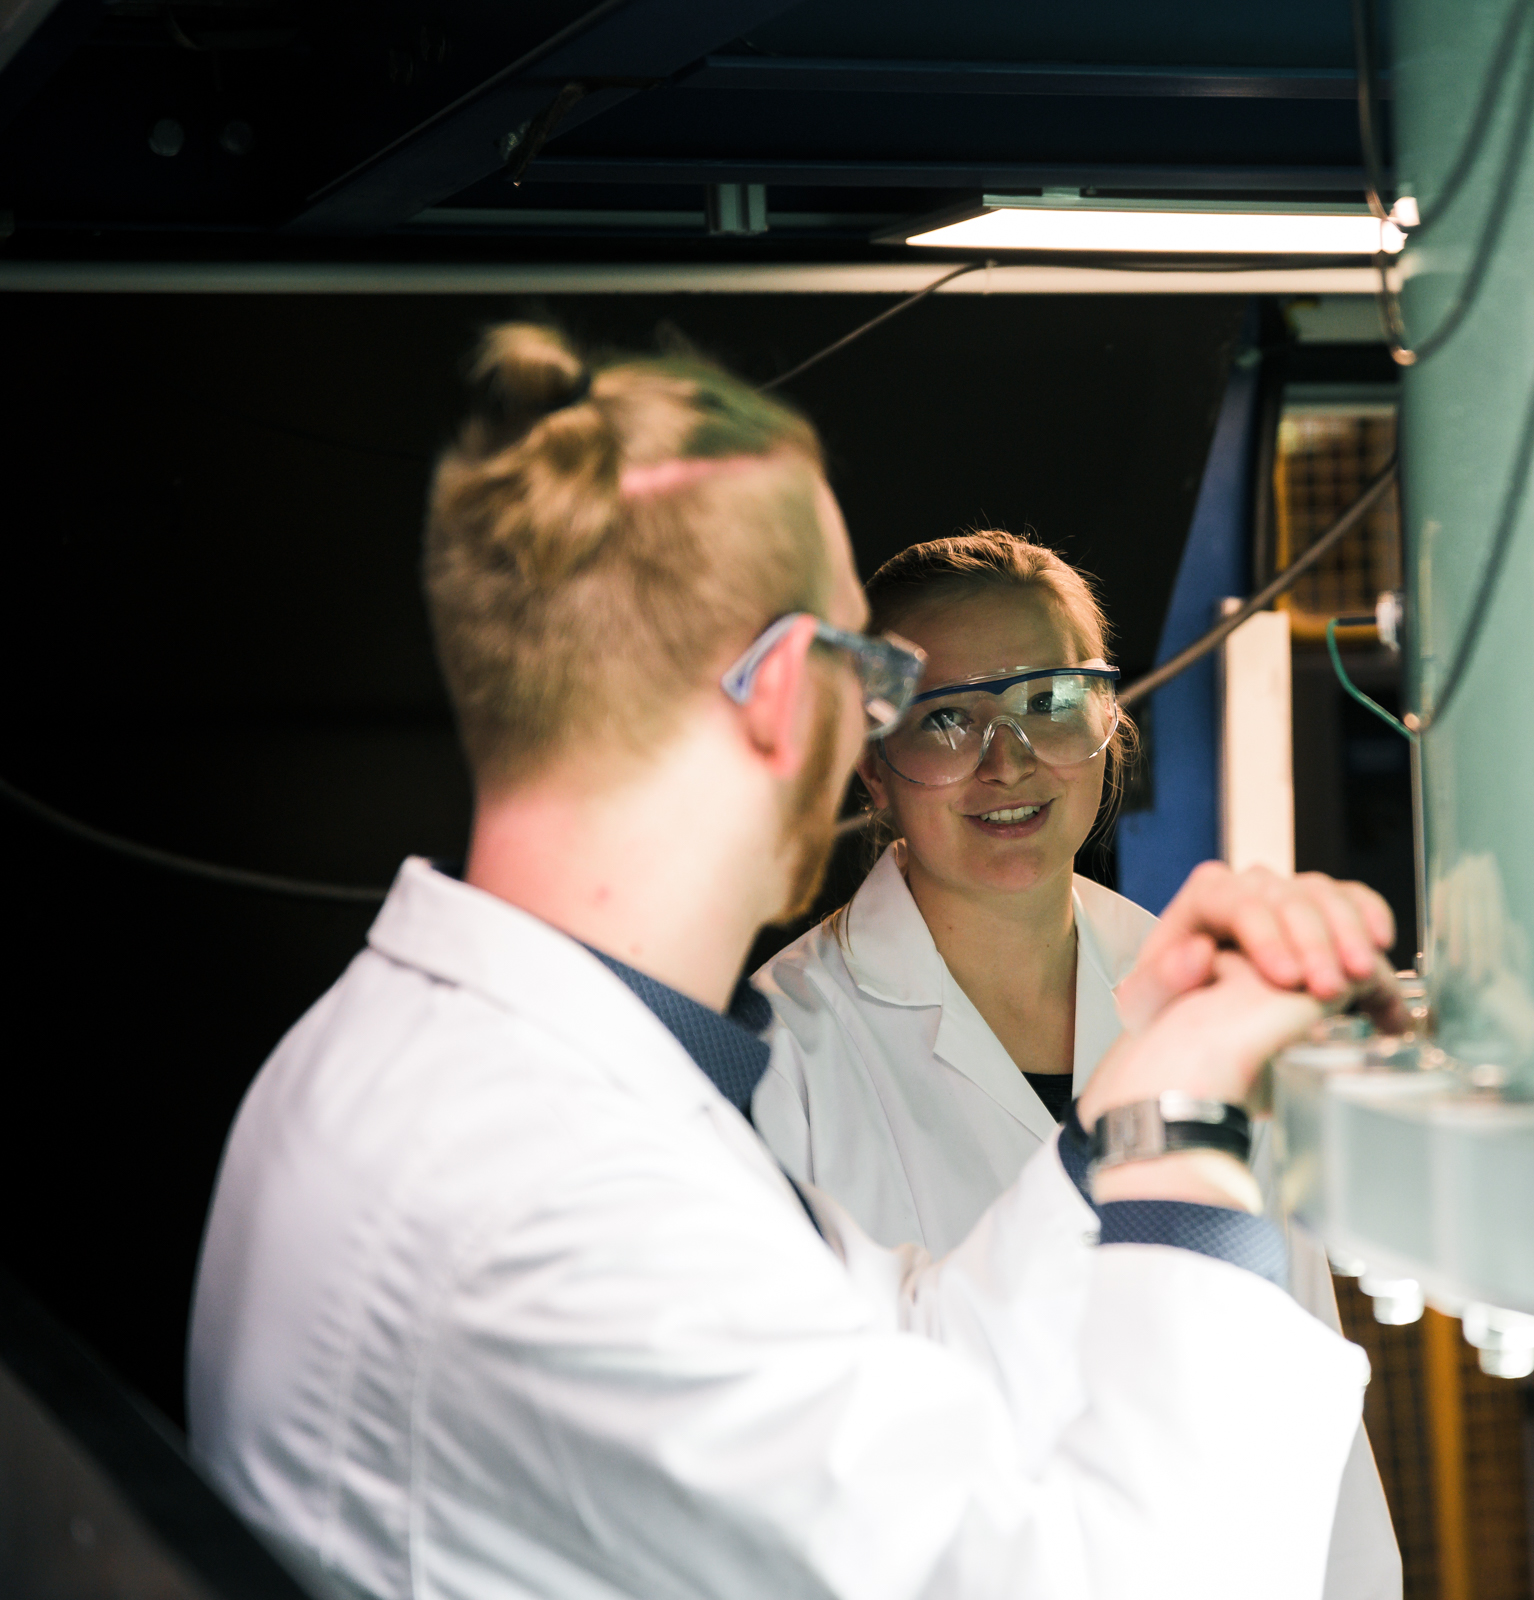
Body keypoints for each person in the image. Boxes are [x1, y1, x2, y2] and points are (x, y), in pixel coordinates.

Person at [186, 324, 1403, 1600]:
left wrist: (1132, 1098)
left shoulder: (476, 1066)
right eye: (873, 678)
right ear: (783, 696)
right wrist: (1193, 1149)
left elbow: (910, 1338)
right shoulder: (545, 1194)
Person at [749, 531, 1404, 1600]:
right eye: (947, 719)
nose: (1007, 762)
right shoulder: (788, 1049)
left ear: (1112, 724)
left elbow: (1289, 1361)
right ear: (873, 758)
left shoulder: (1199, 992)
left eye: (1051, 700)